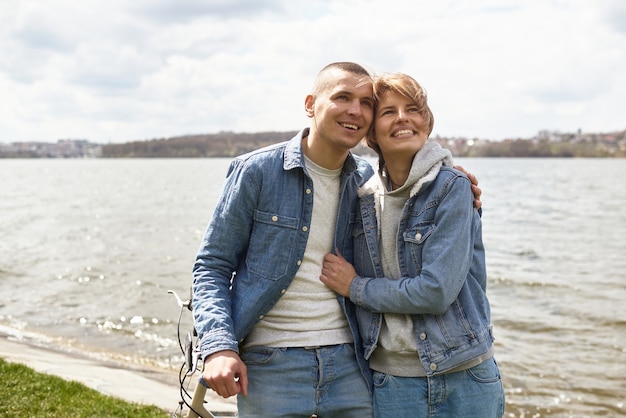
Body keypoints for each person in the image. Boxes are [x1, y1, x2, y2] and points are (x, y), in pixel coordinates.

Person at [192, 63, 482, 417]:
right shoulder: (258, 171)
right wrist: (219, 347)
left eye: (365, 102)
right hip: (271, 362)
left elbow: (421, 205)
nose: (355, 111)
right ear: (311, 104)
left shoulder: (367, 183)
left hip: (353, 364)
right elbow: (212, 266)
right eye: (342, 97)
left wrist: (454, 180)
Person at [320, 72, 505, 417]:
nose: (403, 118)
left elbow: (436, 292)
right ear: (371, 131)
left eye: (413, 109)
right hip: (392, 383)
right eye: (389, 112)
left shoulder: (452, 187)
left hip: (463, 376)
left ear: (427, 121)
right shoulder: (360, 196)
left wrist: (355, 287)